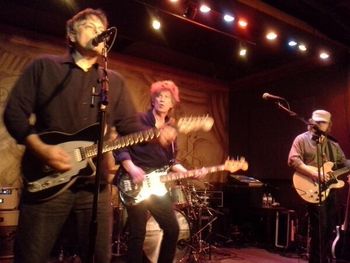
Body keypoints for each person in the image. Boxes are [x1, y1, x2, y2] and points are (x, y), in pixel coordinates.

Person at [3, 8, 175, 263]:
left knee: (98, 257)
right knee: (32, 255)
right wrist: (40, 148)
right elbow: (14, 114)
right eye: (91, 26)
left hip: (94, 185)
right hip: (47, 180)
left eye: (102, 29)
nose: (99, 32)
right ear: (71, 34)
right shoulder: (45, 67)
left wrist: (156, 135)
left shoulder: (112, 82)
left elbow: (130, 127)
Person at [115, 80, 206, 263]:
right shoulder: (139, 120)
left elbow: (171, 161)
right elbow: (119, 145)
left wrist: (190, 172)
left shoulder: (171, 133)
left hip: (156, 184)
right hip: (133, 182)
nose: (162, 100)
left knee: (172, 229)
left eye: (167, 97)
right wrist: (132, 168)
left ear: (172, 103)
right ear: (153, 100)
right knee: (137, 232)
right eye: (159, 96)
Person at [288, 109, 350, 263]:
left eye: (322, 122)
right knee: (319, 230)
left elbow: (344, 163)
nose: (317, 124)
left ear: (329, 125)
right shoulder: (301, 139)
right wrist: (313, 172)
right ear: (310, 121)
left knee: (329, 229)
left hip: (330, 191)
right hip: (311, 188)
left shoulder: (333, 144)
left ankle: (325, 258)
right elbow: (293, 160)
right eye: (315, 121)